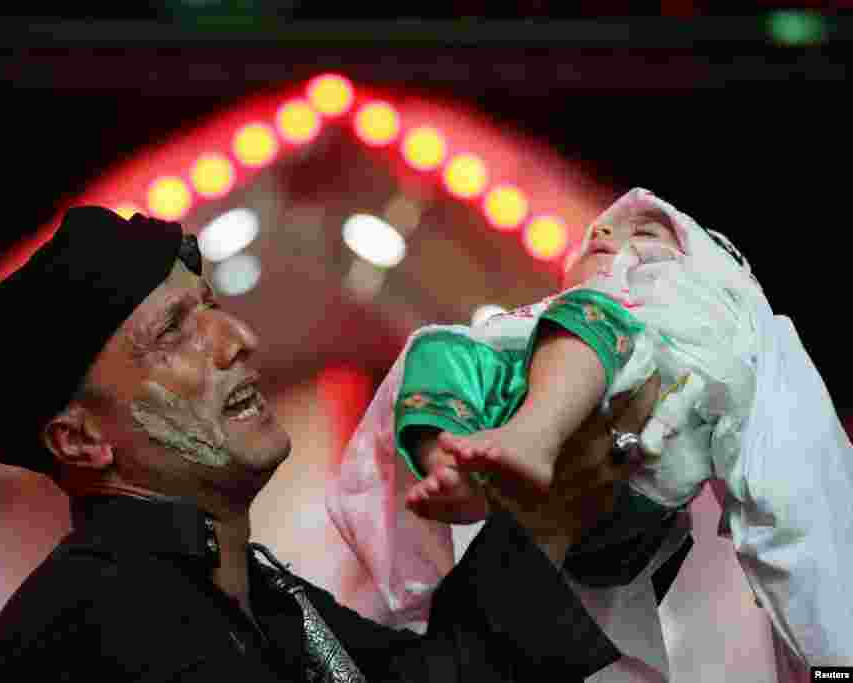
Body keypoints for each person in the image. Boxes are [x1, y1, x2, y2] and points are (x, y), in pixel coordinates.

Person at [0, 206, 660, 683]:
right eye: (173, 331)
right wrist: (543, 521)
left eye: (212, 309)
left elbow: (434, 673)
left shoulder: (259, 590)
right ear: (80, 437)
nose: (239, 341)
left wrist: (561, 496)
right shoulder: (85, 627)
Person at [326, 188, 853, 680]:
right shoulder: (532, 326)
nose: (603, 237)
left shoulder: (711, 335)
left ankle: (533, 436)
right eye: (597, 234)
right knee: (436, 344)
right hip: (517, 494)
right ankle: (450, 467)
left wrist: (837, 661)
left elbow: (794, 497)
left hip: (624, 510)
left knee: (595, 312)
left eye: (645, 234)